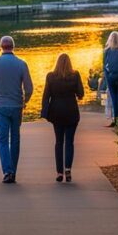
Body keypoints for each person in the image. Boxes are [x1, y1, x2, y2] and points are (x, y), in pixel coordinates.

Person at [0, 36, 33, 184]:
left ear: (1, 47)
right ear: (13, 47)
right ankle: (14, 171)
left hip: (0, 106)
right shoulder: (21, 64)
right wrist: (25, 101)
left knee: (3, 140)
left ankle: (7, 171)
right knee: (15, 139)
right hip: (16, 106)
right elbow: (29, 88)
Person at [41, 54, 85, 182]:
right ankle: (68, 170)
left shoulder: (50, 76)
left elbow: (46, 96)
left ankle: (59, 172)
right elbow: (81, 93)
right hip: (71, 112)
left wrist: (45, 112)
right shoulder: (75, 75)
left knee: (59, 142)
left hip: (56, 112)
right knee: (69, 142)